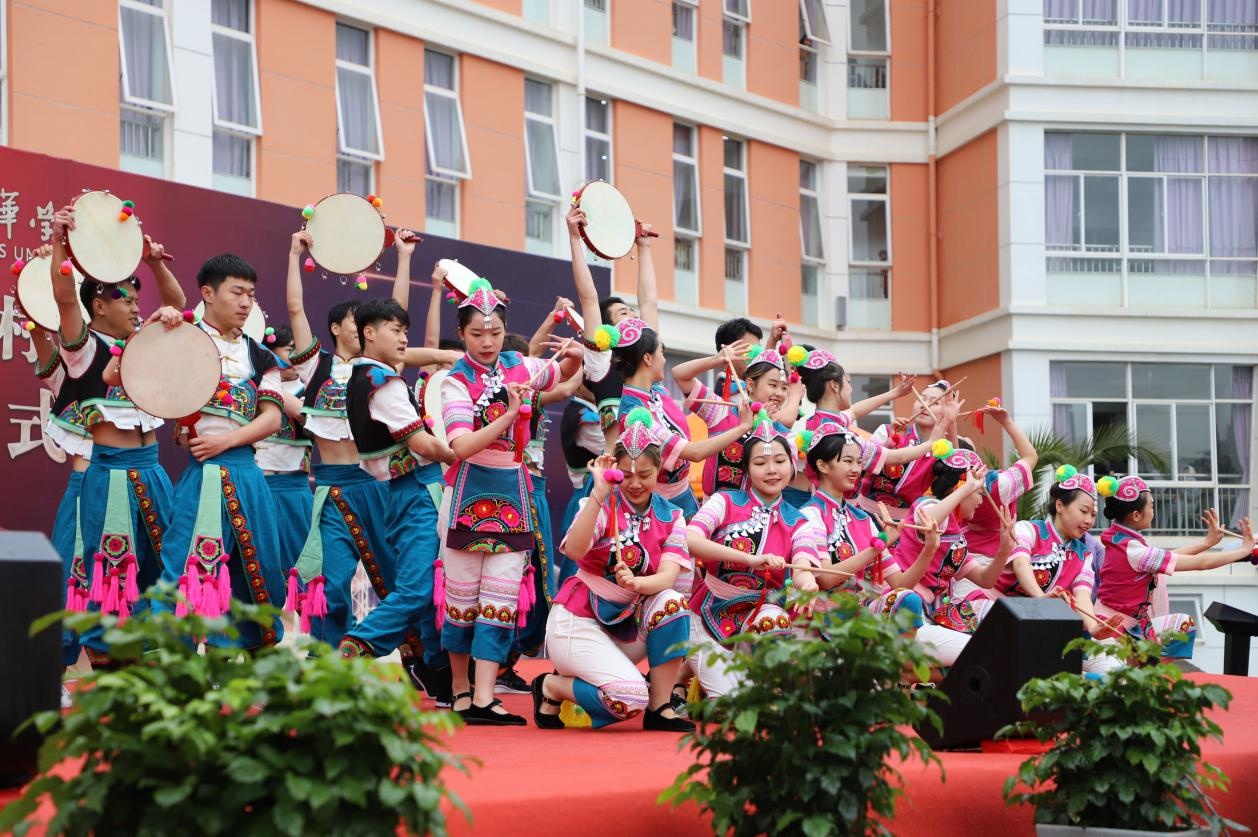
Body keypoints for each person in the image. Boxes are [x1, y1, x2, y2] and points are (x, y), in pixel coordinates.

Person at [285, 229, 451, 701]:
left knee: (404, 579)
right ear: (341, 328)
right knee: (330, 584)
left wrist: (403, 257)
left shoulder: (381, 371)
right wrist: (295, 254)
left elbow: (398, 313)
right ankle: (324, 668)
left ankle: (424, 661)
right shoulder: (316, 366)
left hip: (379, 484)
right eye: (361, 322)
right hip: (332, 487)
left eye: (381, 325)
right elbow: (296, 310)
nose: (373, 328)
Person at [437, 278, 581, 725]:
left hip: (512, 492)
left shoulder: (519, 365)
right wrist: (506, 414)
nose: (487, 342)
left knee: (498, 598)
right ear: (461, 333)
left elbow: (567, 372)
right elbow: (461, 446)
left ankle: (483, 697)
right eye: (477, 334)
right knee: (462, 599)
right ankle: (460, 690)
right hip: (465, 491)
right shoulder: (453, 382)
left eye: (495, 333)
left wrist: (576, 354)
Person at [49, 207, 185, 667]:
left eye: (135, 299)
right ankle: (109, 669)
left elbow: (178, 304)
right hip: (110, 479)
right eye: (124, 299)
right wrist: (59, 244)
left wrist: (155, 263)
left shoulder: (143, 343)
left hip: (153, 475)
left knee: (163, 572)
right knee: (111, 577)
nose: (135, 306)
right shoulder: (84, 350)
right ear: (100, 306)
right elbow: (66, 299)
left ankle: (151, 661)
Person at [534, 411, 694, 732]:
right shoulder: (601, 503)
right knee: (627, 698)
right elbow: (577, 551)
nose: (635, 483)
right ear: (615, 472)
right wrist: (598, 493)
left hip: (627, 621)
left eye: (645, 474)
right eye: (626, 475)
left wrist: (637, 582)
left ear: (659, 470)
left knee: (673, 603)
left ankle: (660, 705)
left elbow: (667, 577)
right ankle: (551, 687)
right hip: (579, 620)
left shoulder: (672, 515)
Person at [161, 253, 285, 649]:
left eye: (251, 294)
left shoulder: (261, 356)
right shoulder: (182, 337)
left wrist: (226, 441)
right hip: (201, 474)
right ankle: (173, 669)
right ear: (207, 294)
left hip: (246, 472)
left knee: (260, 571)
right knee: (184, 565)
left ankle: (246, 664)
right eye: (237, 292)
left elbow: (272, 419)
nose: (246, 302)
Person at [334, 298, 455, 670]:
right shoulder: (382, 382)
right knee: (419, 587)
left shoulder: (362, 374)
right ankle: (356, 646)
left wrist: (448, 357)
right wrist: (466, 452)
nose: (404, 339)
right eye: (396, 331)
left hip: (406, 490)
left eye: (405, 331)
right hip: (418, 489)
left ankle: (436, 671)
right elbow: (422, 445)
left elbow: (409, 356)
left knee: (434, 586)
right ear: (369, 333)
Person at [684, 418, 821, 698]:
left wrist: (807, 582)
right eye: (760, 463)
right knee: (732, 702)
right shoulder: (724, 501)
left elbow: (803, 562)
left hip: (760, 612)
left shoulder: (800, 521)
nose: (772, 470)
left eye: (780, 461)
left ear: (793, 465)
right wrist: (749, 560)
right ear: (746, 468)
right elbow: (690, 539)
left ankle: (761, 684)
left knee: (774, 622)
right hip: (709, 608)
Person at [1091, 473, 1255, 670]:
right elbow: (1200, 564)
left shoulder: (1122, 540)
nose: (1154, 509)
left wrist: (1207, 543)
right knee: (1120, 686)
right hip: (1111, 631)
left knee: (1183, 625)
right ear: (1136, 515)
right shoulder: (1134, 550)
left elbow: (1167, 558)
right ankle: (1145, 671)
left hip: (1129, 626)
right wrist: (1244, 551)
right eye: (1151, 505)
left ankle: (1147, 670)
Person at [605, 317, 754, 519]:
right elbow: (693, 453)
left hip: (684, 496)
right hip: (656, 506)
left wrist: (717, 359)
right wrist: (742, 427)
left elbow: (679, 372)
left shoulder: (656, 391)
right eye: (662, 353)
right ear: (648, 359)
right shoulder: (635, 415)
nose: (664, 360)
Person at [889, 444, 1014, 667]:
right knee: (984, 653)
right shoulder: (927, 504)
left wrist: (1004, 550)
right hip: (908, 613)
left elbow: (986, 579)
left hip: (933, 613)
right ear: (959, 489)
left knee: (999, 636)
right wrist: (966, 489)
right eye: (979, 493)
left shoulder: (956, 533)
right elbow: (929, 520)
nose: (980, 500)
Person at [952, 467, 1108, 637]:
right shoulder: (1029, 529)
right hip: (990, 603)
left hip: (1030, 617)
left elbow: (1083, 595)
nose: (1089, 520)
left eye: (1093, 515)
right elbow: (1020, 563)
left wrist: (1093, 627)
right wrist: (1040, 598)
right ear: (1060, 506)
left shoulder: (1084, 555)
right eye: (1083, 511)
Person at [798, 423, 929, 626]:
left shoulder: (862, 518)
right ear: (822, 466)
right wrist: (878, 546)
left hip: (858, 613)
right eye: (848, 461)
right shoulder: (810, 514)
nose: (855, 469)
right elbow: (825, 578)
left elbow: (900, 584)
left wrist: (930, 547)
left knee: (907, 599)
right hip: (823, 616)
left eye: (859, 462)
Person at [789, 350, 917, 511]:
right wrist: (934, 440)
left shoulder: (823, 420)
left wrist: (895, 393)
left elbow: (855, 411)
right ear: (834, 386)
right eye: (848, 382)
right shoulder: (835, 432)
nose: (851, 389)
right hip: (836, 509)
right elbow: (897, 458)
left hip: (832, 505)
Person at [672, 345, 804, 499]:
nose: (779, 394)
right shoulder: (720, 412)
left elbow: (782, 476)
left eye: (784, 388)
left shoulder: (785, 435)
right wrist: (715, 360)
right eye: (773, 385)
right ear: (750, 384)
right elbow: (679, 375)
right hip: (714, 513)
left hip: (756, 517)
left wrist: (764, 427)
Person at [253, 324, 313, 577]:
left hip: (293, 489)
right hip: (257, 484)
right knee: (259, 564)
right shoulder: (249, 385)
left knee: (299, 568)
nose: (295, 358)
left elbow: (305, 417)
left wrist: (270, 383)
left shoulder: (310, 388)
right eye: (289, 350)